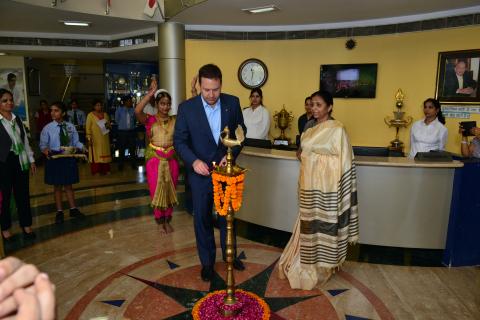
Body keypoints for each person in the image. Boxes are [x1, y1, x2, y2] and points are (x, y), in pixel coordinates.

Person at [278, 90, 358, 290]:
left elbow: (344, 160)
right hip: (309, 185)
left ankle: (323, 267)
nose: (314, 108)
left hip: (328, 188)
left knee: (326, 223)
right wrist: (307, 156)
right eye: (312, 104)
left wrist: (312, 156)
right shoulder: (309, 129)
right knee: (308, 222)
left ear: (329, 107)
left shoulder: (338, 129)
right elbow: (302, 153)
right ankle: (304, 260)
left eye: (318, 105)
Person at [174, 64, 247, 282]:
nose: (211, 95)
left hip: (226, 171)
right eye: (206, 90)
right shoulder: (186, 108)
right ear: (200, 85)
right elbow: (179, 141)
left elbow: (242, 133)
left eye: (215, 89)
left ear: (220, 84)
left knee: (228, 216)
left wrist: (231, 153)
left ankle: (230, 256)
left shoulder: (232, 103)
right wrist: (193, 161)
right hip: (199, 174)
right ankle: (207, 262)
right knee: (203, 218)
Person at [135, 81, 178, 233]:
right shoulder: (150, 120)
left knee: (170, 190)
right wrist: (149, 95)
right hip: (155, 161)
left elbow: (192, 111)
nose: (165, 107)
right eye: (162, 104)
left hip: (171, 160)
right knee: (156, 191)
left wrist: (193, 91)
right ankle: (160, 222)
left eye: (168, 104)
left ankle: (168, 220)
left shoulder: (175, 120)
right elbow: (137, 110)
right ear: (157, 104)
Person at [40, 101, 85, 224]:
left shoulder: (70, 127)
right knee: (57, 186)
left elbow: (75, 142)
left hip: (68, 158)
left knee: (69, 186)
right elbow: (43, 145)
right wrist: (46, 151)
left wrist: (83, 147)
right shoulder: (47, 128)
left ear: (63, 113)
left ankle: (73, 209)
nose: (52, 113)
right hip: (55, 159)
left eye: (56, 110)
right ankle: (59, 211)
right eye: (51, 110)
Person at [0, 89, 36, 240]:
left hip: (20, 160)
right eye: (5, 100)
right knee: (5, 196)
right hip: (3, 162)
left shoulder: (18, 119)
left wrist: (31, 159)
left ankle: (26, 225)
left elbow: (25, 141)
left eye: (10, 100)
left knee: (23, 194)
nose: (9, 103)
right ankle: (6, 229)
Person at [86, 99, 112, 175]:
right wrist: (89, 138)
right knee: (96, 154)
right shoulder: (90, 115)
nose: (99, 107)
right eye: (97, 105)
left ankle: (106, 170)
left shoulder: (105, 114)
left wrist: (108, 126)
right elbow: (88, 127)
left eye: (100, 105)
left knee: (105, 152)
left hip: (105, 137)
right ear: (94, 106)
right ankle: (96, 170)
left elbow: (109, 125)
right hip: (95, 138)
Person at [115, 95, 137, 169]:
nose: (131, 102)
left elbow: (134, 120)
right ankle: (120, 164)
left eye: (131, 101)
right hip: (122, 132)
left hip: (131, 132)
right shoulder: (119, 110)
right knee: (121, 149)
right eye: (129, 101)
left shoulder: (133, 110)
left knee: (132, 149)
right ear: (125, 102)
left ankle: (133, 164)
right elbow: (116, 120)